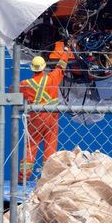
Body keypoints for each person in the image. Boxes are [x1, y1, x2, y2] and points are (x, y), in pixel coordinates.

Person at [18, 44, 71, 183]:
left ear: (32, 68)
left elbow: (13, 90)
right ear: (44, 67)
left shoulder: (25, 84)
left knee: (31, 146)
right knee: (50, 145)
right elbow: (61, 67)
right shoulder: (52, 78)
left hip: (35, 118)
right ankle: (48, 178)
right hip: (51, 117)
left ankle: (23, 178)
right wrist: (66, 51)